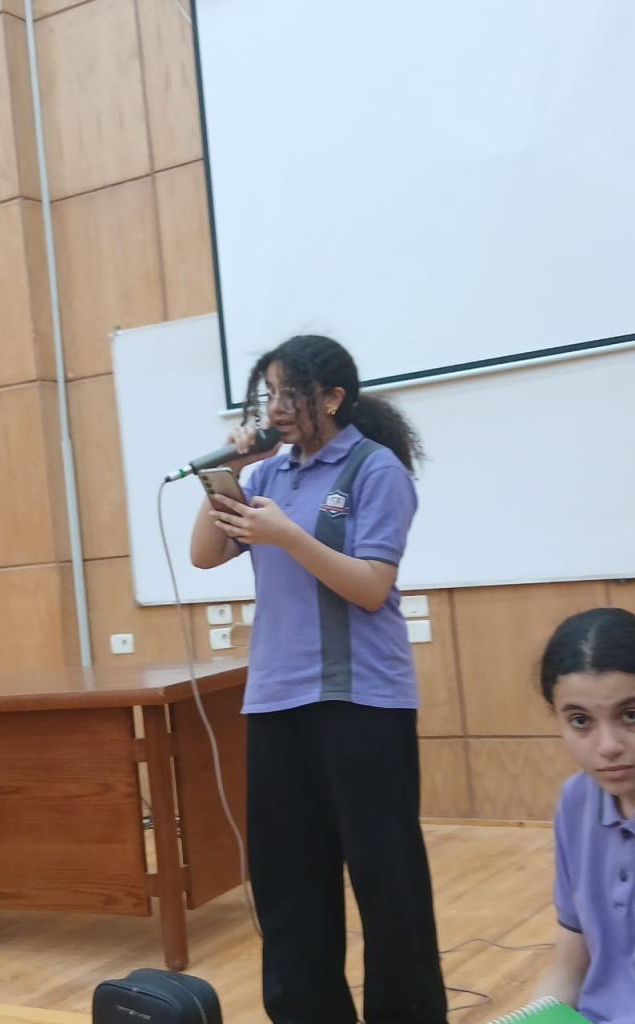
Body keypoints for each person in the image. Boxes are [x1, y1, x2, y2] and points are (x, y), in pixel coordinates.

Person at [190, 335, 448, 1024]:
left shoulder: (376, 468)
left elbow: (370, 586)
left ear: (332, 398)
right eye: (268, 394)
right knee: (290, 887)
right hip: (276, 700)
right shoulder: (269, 477)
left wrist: (288, 537)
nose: (274, 408)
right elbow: (205, 553)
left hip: (361, 701)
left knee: (386, 882)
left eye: (290, 394)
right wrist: (228, 473)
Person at [532, 606, 635, 1023]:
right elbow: (569, 967)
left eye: (631, 715)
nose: (608, 745)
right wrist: (535, 1018)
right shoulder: (577, 801)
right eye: (580, 721)